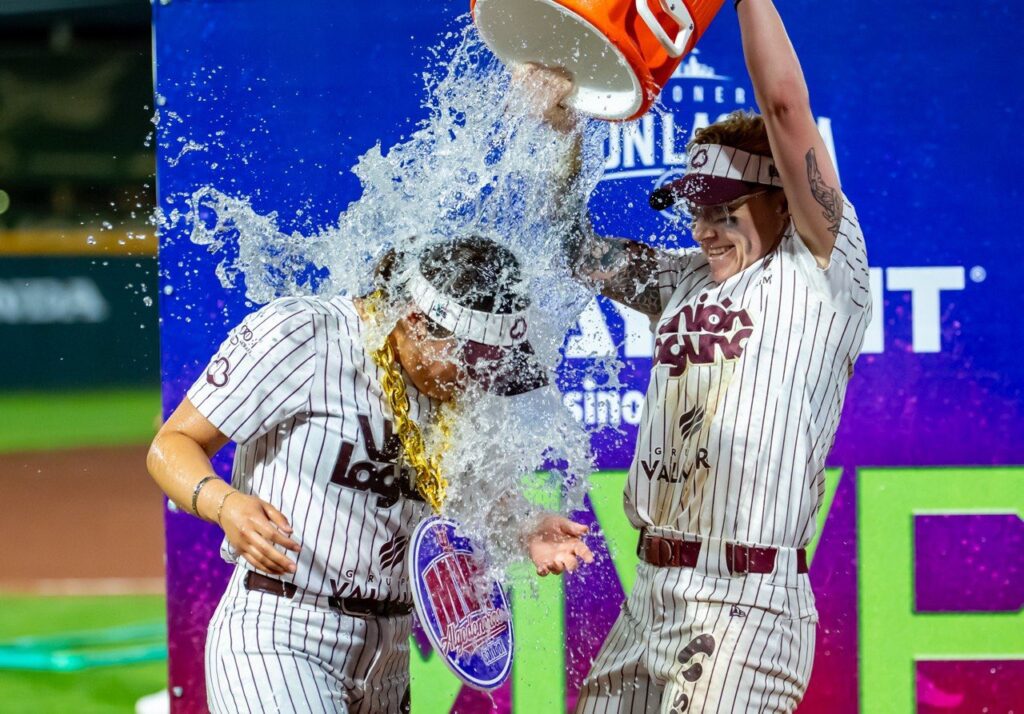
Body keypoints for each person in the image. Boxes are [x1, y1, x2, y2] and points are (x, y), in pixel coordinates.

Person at [520, 0, 872, 710]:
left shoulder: (822, 265)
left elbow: (784, 106)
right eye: (697, 209)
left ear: (782, 201)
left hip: (748, 608)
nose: (704, 228)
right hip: (653, 593)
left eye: (724, 209)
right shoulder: (682, 281)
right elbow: (574, 247)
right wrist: (562, 131)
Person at [147, 235, 594, 713]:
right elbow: (171, 445)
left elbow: (466, 488)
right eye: (469, 360)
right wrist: (225, 504)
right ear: (416, 321)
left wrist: (525, 526)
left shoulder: (457, 387)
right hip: (282, 631)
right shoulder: (305, 333)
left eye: (493, 364)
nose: (479, 379)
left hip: (390, 654)